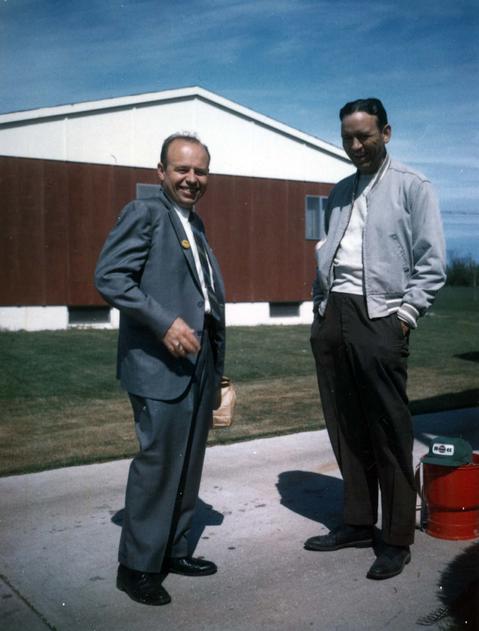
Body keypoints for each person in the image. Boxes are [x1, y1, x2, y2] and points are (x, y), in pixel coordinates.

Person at [306, 98, 446, 580]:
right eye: (348, 137)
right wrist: (320, 306)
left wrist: (403, 317)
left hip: (381, 317)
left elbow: (432, 265)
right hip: (334, 317)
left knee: (388, 429)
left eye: (364, 135)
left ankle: (396, 537)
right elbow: (331, 253)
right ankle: (358, 522)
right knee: (346, 425)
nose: (355, 145)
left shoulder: (414, 186)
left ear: (386, 133)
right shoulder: (340, 191)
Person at [95, 132, 225, 605]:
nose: (192, 179)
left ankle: (173, 549)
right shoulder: (146, 212)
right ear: (161, 173)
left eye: (200, 171)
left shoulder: (194, 223)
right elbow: (110, 276)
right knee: (158, 463)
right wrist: (163, 322)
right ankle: (136, 567)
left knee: (188, 461)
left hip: (198, 360)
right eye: (182, 170)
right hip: (159, 361)